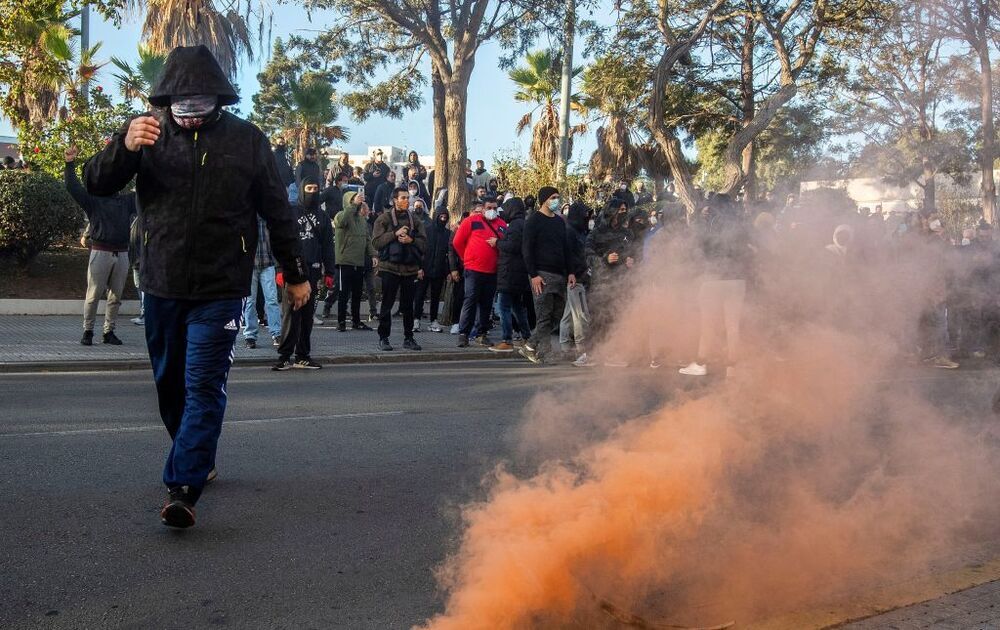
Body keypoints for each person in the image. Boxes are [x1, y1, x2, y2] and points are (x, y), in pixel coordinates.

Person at [83, 45, 311, 528]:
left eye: (200, 102)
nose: (189, 111)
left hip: (222, 287)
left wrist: (295, 273)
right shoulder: (144, 132)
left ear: (218, 99)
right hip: (161, 284)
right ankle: (197, 456)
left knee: (204, 385)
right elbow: (97, 185)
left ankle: (183, 487)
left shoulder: (248, 141)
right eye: (180, 102)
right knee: (170, 387)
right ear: (166, 99)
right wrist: (122, 148)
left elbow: (277, 211)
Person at [65, 145, 137, 346]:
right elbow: (73, 188)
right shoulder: (94, 201)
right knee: (93, 296)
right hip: (101, 251)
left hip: (122, 253)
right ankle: (88, 331)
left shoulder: (127, 201)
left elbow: (146, 192)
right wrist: (69, 164)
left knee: (115, 297)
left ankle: (109, 332)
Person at [679, 195, 752, 377]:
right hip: (738, 280)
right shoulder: (742, 225)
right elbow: (750, 251)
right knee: (733, 326)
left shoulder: (711, 224)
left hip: (713, 281)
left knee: (708, 324)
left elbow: (699, 248)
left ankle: (702, 363)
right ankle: (732, 368)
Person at [274, 176, 335, 370]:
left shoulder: (323, 217)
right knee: (290, 315)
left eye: (316, 189)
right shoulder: (291, 213)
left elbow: (328, 246)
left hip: (314, 271)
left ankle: (303, 355)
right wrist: (280, 269)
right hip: (292, 271)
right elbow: (280, 241)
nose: (312, 192)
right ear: (301, 190)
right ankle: (284, 356)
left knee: (307, 317)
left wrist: (330, 272)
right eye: (308, 188)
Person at [519, 186, 575, 364]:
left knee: (556, 316)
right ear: (544, 199)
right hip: (541, 274)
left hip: (559, 275)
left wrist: (571, 271)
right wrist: (533, 274)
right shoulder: (533, 220)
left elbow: (566, 249)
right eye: (553, 197)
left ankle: (531, 346)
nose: (556, 200)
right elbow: (526, 249)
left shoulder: (559, 222)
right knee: (544, 316)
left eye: (558, 197)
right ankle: (542, 351)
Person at [372, 187, 426, 351]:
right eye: (402, 198)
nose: (406, 201)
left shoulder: (415, 220)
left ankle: (409, 338)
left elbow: (424, 244)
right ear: (394, 200)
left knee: (408, 306)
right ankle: (384, 338)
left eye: (407, 198)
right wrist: (395, 234)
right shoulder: (384, 218)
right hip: (390, 268)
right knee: (387, 305)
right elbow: (376, 242)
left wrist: (410, 239)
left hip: (409, 269)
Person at [585, 198, 635, 364]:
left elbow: (635, 252)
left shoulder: (627, 234)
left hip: (622, 282)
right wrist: (605, 259)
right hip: (602, 283)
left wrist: (632, 260)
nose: (623, 213)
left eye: (624, 210)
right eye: (620, 210)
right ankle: (592, 355)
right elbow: (587, 255)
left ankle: (615, 353)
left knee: (618, 318)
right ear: (611, 211)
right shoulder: (597, 233)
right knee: (599, 319)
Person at [453, 196, 506, 347]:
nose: (492, 211)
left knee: (486, 304)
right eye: (489, 208)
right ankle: (464, 333)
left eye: (495, 208)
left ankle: (481, 333)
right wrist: (467, 259)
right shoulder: (471, 221)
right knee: (470, 300)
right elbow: (457, 242)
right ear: (482, 209)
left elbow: (506, 244)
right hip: (473, 270)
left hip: (492, 271)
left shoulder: (502, 225)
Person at [333, 190, 378, 331]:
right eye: (354, 198)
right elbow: (341, 222)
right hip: (345, 261)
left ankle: (356, 321)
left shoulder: (362, 220)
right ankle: (341, 322)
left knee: (357, 294)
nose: (358, 200)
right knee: (343, 294)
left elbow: (367, 239)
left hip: (359, 262)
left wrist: (373, 255)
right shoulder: (341, 215)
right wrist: (352, 205)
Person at [492, 197, 532, 352]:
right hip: (518, 273)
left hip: (509, 273)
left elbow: (513, 246)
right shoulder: (523, 224)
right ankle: (527, 337)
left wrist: (497, 242)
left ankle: (507, 340)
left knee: (503, 307)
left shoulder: (515, 226)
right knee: (517, 307)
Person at [561, 201, 593, 366]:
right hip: (575, 278)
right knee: (579, 316)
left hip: (580, 276)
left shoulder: (580, 231)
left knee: (568, 315)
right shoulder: (569, 232)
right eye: (585, 215)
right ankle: (582, 352)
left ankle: (565, 347)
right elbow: (568, 256)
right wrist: (571, 273)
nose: (587, 218)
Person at [243, 217, 283, 349]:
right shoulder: (247, 216)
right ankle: (250, 335)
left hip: (266, 263)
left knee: (270, 299)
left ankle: (275, 332)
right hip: (252, 264)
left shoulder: (266, 216)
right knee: (251, 301)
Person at [416, 208, 452, 333]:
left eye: (445, 217)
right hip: (425, 269)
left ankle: (433, 320)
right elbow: (419, 251)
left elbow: (449, 255)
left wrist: (448, 271)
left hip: (439, 270)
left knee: (436, 297)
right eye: (441, 216)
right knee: (419, 295)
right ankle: (416, 320)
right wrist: (419, 268)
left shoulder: (448, 233)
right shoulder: (427, 231)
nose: (443, 219)